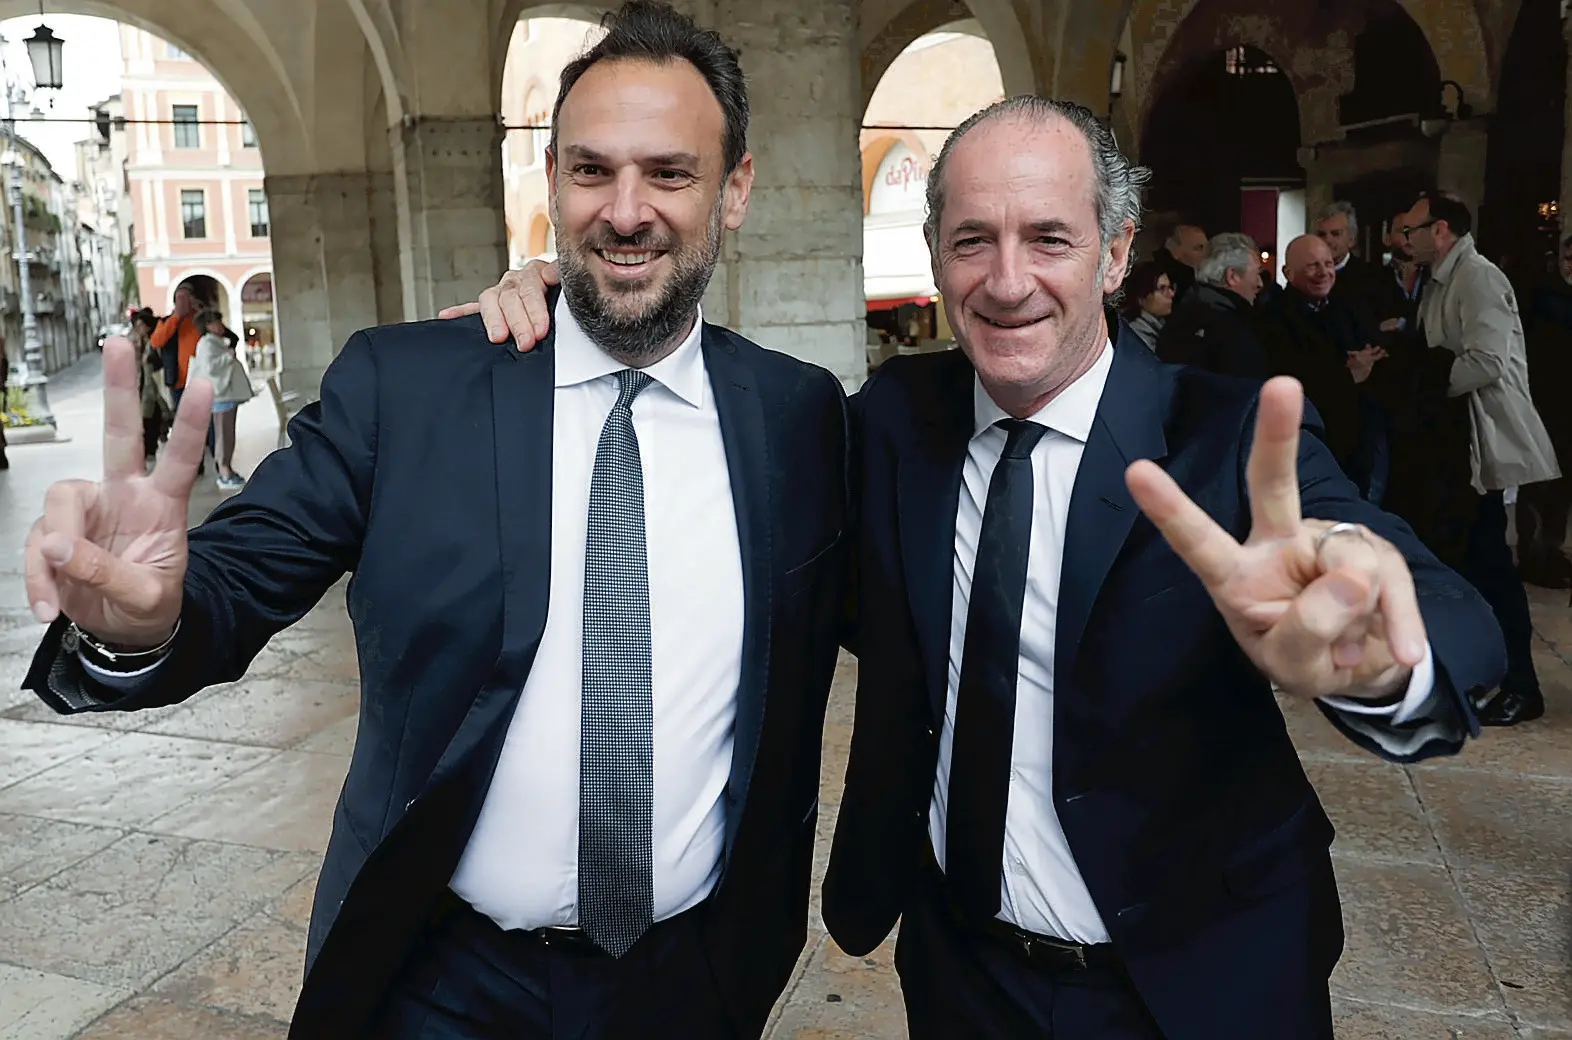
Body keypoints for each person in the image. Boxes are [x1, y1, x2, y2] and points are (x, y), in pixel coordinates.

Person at [461, 98, 1505, 1040]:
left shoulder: (1222, 440)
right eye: (973, 241)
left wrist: (1381, 656)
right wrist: (579, 298)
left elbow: (1435, 604)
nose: (1008, 282)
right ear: (935, 255)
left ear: (1114, 252)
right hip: (963, 972)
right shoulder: (888, 425)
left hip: (1200, 973)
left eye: (1049, 237)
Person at [22, 3, 848, 1038]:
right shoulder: (407, 388)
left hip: (695, 981)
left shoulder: (799, 414)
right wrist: (137, 618)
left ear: (735, 191)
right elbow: (233, 578)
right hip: (441, 982)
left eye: (670, 173)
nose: (625, 209)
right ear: (552, 182)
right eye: (591, 170)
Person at [1397, 190, 1558, 726]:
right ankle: (1481, 674)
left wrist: (1424, 382)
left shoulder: (1478, 276)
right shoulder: (1442, 277)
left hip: (1480, 444)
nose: (1407, 239)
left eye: (1414, 229)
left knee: (1492, 567)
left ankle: (1521, 684)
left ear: (1441, 230)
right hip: (1452, 444)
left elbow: (1487, 360)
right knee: (1467, 563)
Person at [1516, 232, 1572, 589]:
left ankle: (1552, 549)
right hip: (1545, 399)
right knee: (1538, 479)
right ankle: (1532, 553)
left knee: (1563, 482)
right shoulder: (1544, 295)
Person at [1155, 231, 1269, 378]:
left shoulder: (1182, 316)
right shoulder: (1230, 329)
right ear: (1232, 276)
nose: (1260, 283)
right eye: (1256, 273)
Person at [186, 307, 254, 489]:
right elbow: (210, 368)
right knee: (223, 434)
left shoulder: (215, 341)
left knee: (227, 433)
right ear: (207, 325)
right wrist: (228, 357)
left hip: (227, 394)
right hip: (221, 396)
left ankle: (228, 469)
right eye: (216, 322)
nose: (220, 325)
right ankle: (224, 471)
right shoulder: (207, 344)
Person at [128, 307, 168, 468]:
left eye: (140, 325)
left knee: (150, 421)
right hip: (147, 388)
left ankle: (149, 452)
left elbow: (156, 364)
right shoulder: (143, 342)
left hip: (153, 389)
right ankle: (149, 451)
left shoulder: (153, 343)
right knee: (148, 421)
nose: (138, 329)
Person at [1117, 260, 1173, 350]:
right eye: (1162, 288)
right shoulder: (1135, 335)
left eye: (1170, 287)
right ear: (1141, 297)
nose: (1171, 293)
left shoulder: (1159, 328)